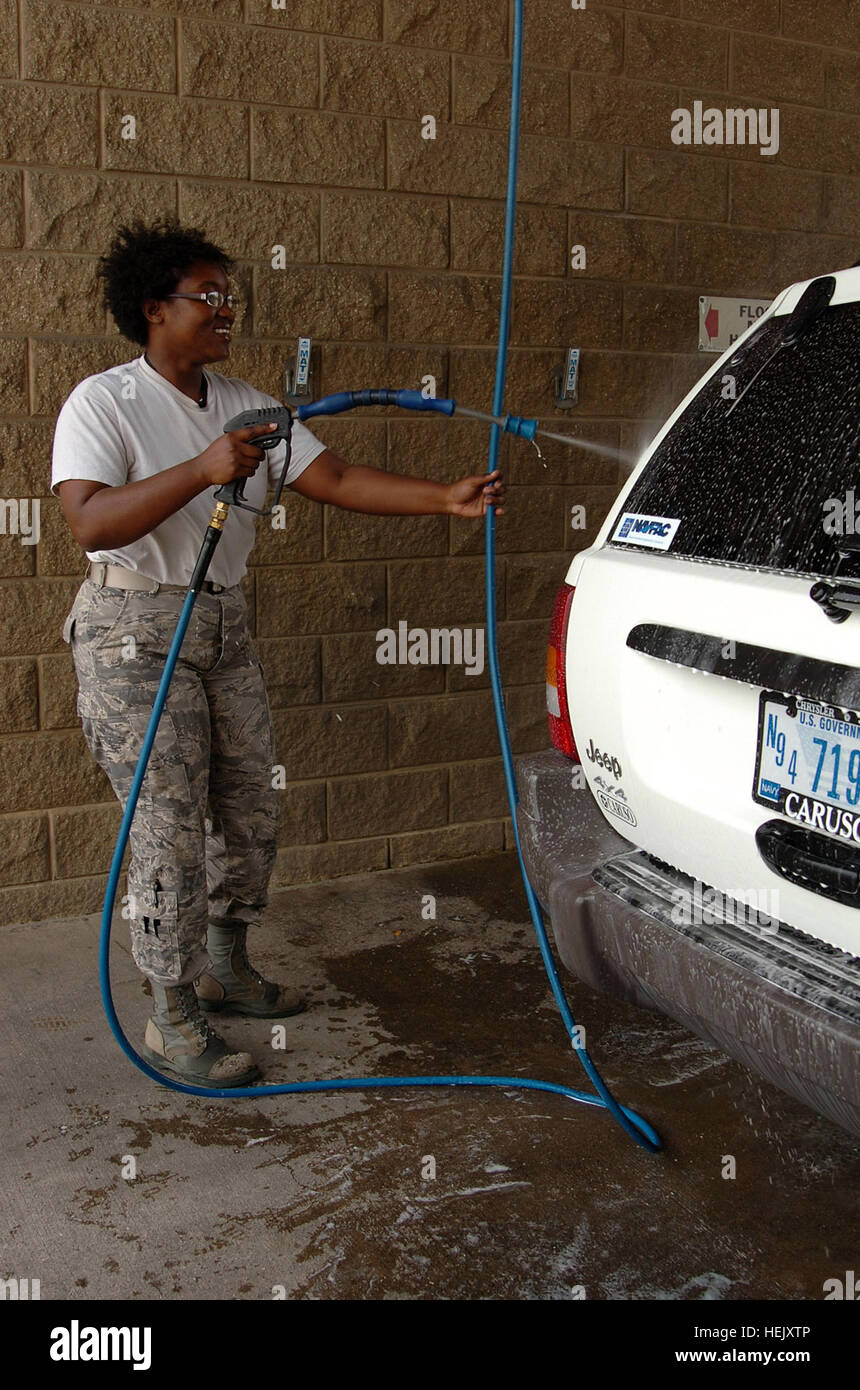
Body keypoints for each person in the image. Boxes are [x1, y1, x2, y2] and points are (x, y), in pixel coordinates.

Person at [52, 217, 505, 1089]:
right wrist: (200, 469)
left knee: (252, 803)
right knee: (166, 824)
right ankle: (172, 1012)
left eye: (231, 297)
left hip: (220, 626)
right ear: (154, 308)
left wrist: (442, 499)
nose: (227, 310)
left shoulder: (246, 402)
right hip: (132, 633)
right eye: (207, 296)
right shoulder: (101, 402)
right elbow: (88, 521)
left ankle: (227, 966)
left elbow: (331, 479)